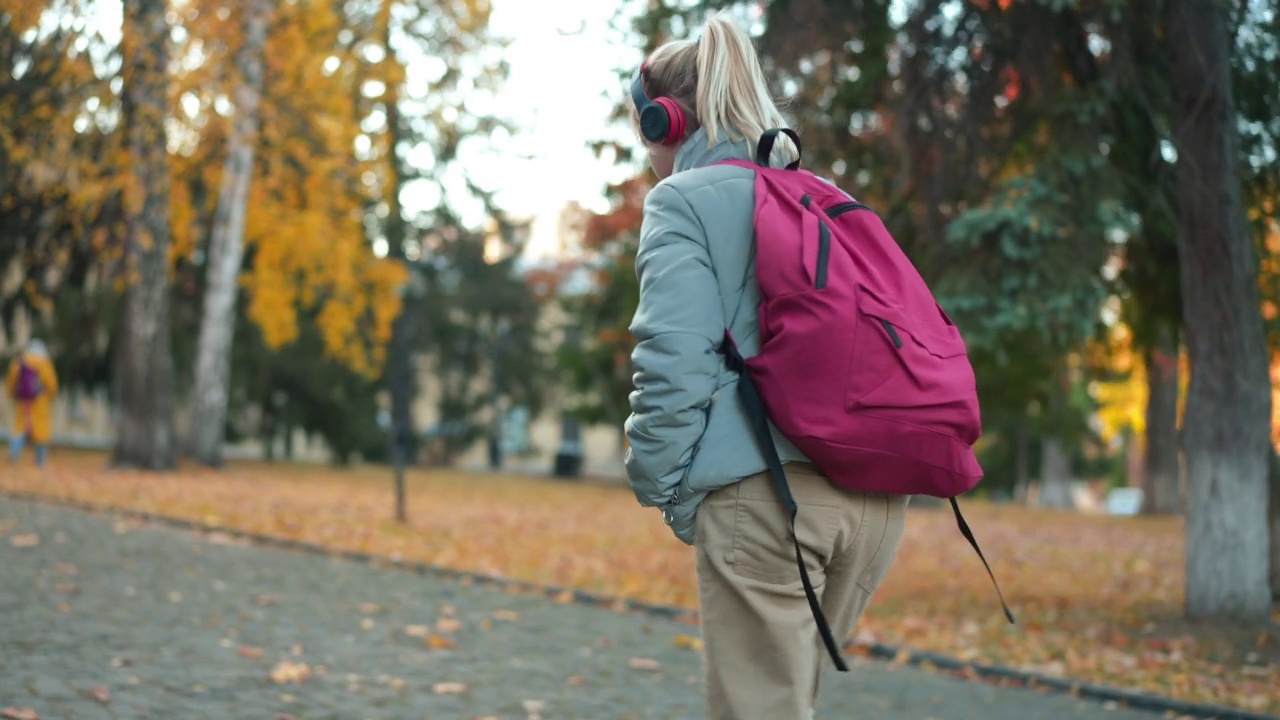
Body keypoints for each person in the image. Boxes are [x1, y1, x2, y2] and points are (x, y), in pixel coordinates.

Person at [622, 15, 909, 720]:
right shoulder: (818, 193)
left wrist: (665, 490)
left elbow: (671, 364)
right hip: (872, 505)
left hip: (769, 503)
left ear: (665, 121)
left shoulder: (682, 201)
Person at [7, 338, 58, 467]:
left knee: (20, 430)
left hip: (23, 402)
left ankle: (13, 455)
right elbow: (52, 386)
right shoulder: (45, 364)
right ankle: (40, 462)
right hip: (40, 402)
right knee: (41, 433)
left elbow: (11, 383)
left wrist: (14, 396)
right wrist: (49, 398)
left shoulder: (19, 363)